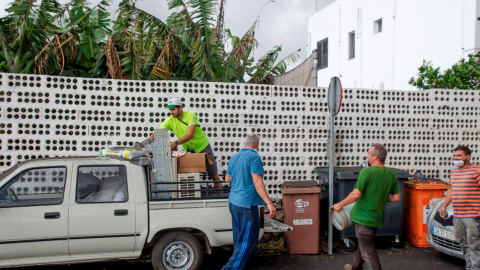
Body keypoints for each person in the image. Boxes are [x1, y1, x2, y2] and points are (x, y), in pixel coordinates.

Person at [332, 144, 400, 270]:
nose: (367, 156)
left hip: (363, 217)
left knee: (368, 250)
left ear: (374, 157)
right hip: (376, 218)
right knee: (364, 244)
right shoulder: (390, 174)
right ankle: (355, 267)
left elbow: (355, 194)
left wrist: (339, 205)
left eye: (368, 153)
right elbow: (396, 197)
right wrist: (380, 196)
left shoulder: (366, 171)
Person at [221, 133, 276, 270]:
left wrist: (240, 180)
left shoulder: (234, 158)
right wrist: (269, 203)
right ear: (257, 144)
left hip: (234, 202)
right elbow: (257, 181)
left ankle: (238, 266)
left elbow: (227, 179)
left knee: (240, 239)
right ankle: (229, 268)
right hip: (246, 205)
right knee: (247, 241)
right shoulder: (254, 157)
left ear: (244, 143)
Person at [140, 97, 222, 189]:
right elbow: (156, 133)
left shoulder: (191, 115)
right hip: (188, 150)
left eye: (173, 109)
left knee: (213, 174)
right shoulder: (170, 120)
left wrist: (175, 143)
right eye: (170, 109)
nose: (171, 112)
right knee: (190, 176)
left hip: (202, 147)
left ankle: (219, 193)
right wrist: (142, 144)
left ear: (180, 108)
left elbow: (190, 135)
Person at [439, 145, 480, 270]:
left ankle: (475, 267)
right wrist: (444, 205)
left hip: (472, 215)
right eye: (454, 155)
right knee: (463, 243)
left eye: (459, 156)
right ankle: (469, 266)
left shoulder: (476, 171)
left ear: (467, 157)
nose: (455, 158)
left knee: (474, 244)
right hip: (458, 214)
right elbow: (452, 189)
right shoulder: (455, 171)